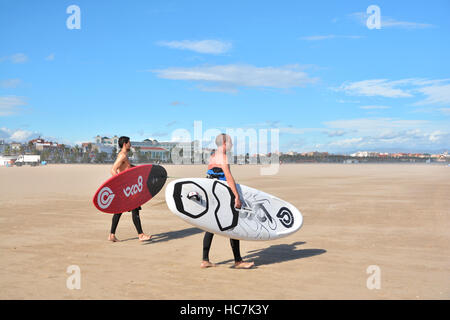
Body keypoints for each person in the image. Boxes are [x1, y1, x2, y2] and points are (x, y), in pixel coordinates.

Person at [201, 133, 255, 269]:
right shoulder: (223, 157)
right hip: (223, 195)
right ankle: (238, 261)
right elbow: (228, 177)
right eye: (231, 142)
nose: (232, 145)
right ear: (224, 143)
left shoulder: (213, 156)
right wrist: (236, 196)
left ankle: (205, 260)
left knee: (211, 226)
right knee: (234, 225)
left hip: (213, 195)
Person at [108, 136, 152, 242]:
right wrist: (120, 183)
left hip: (127, 187)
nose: (130, 144)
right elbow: (113, 170)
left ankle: (111, 235)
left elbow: (126, 168)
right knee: (135, 208)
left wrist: (136, 168)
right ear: (125, 144)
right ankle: (141, 235)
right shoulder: (122, 155)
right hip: (126, 188)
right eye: (129, 143)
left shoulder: (124, 156)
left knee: (119, 211)